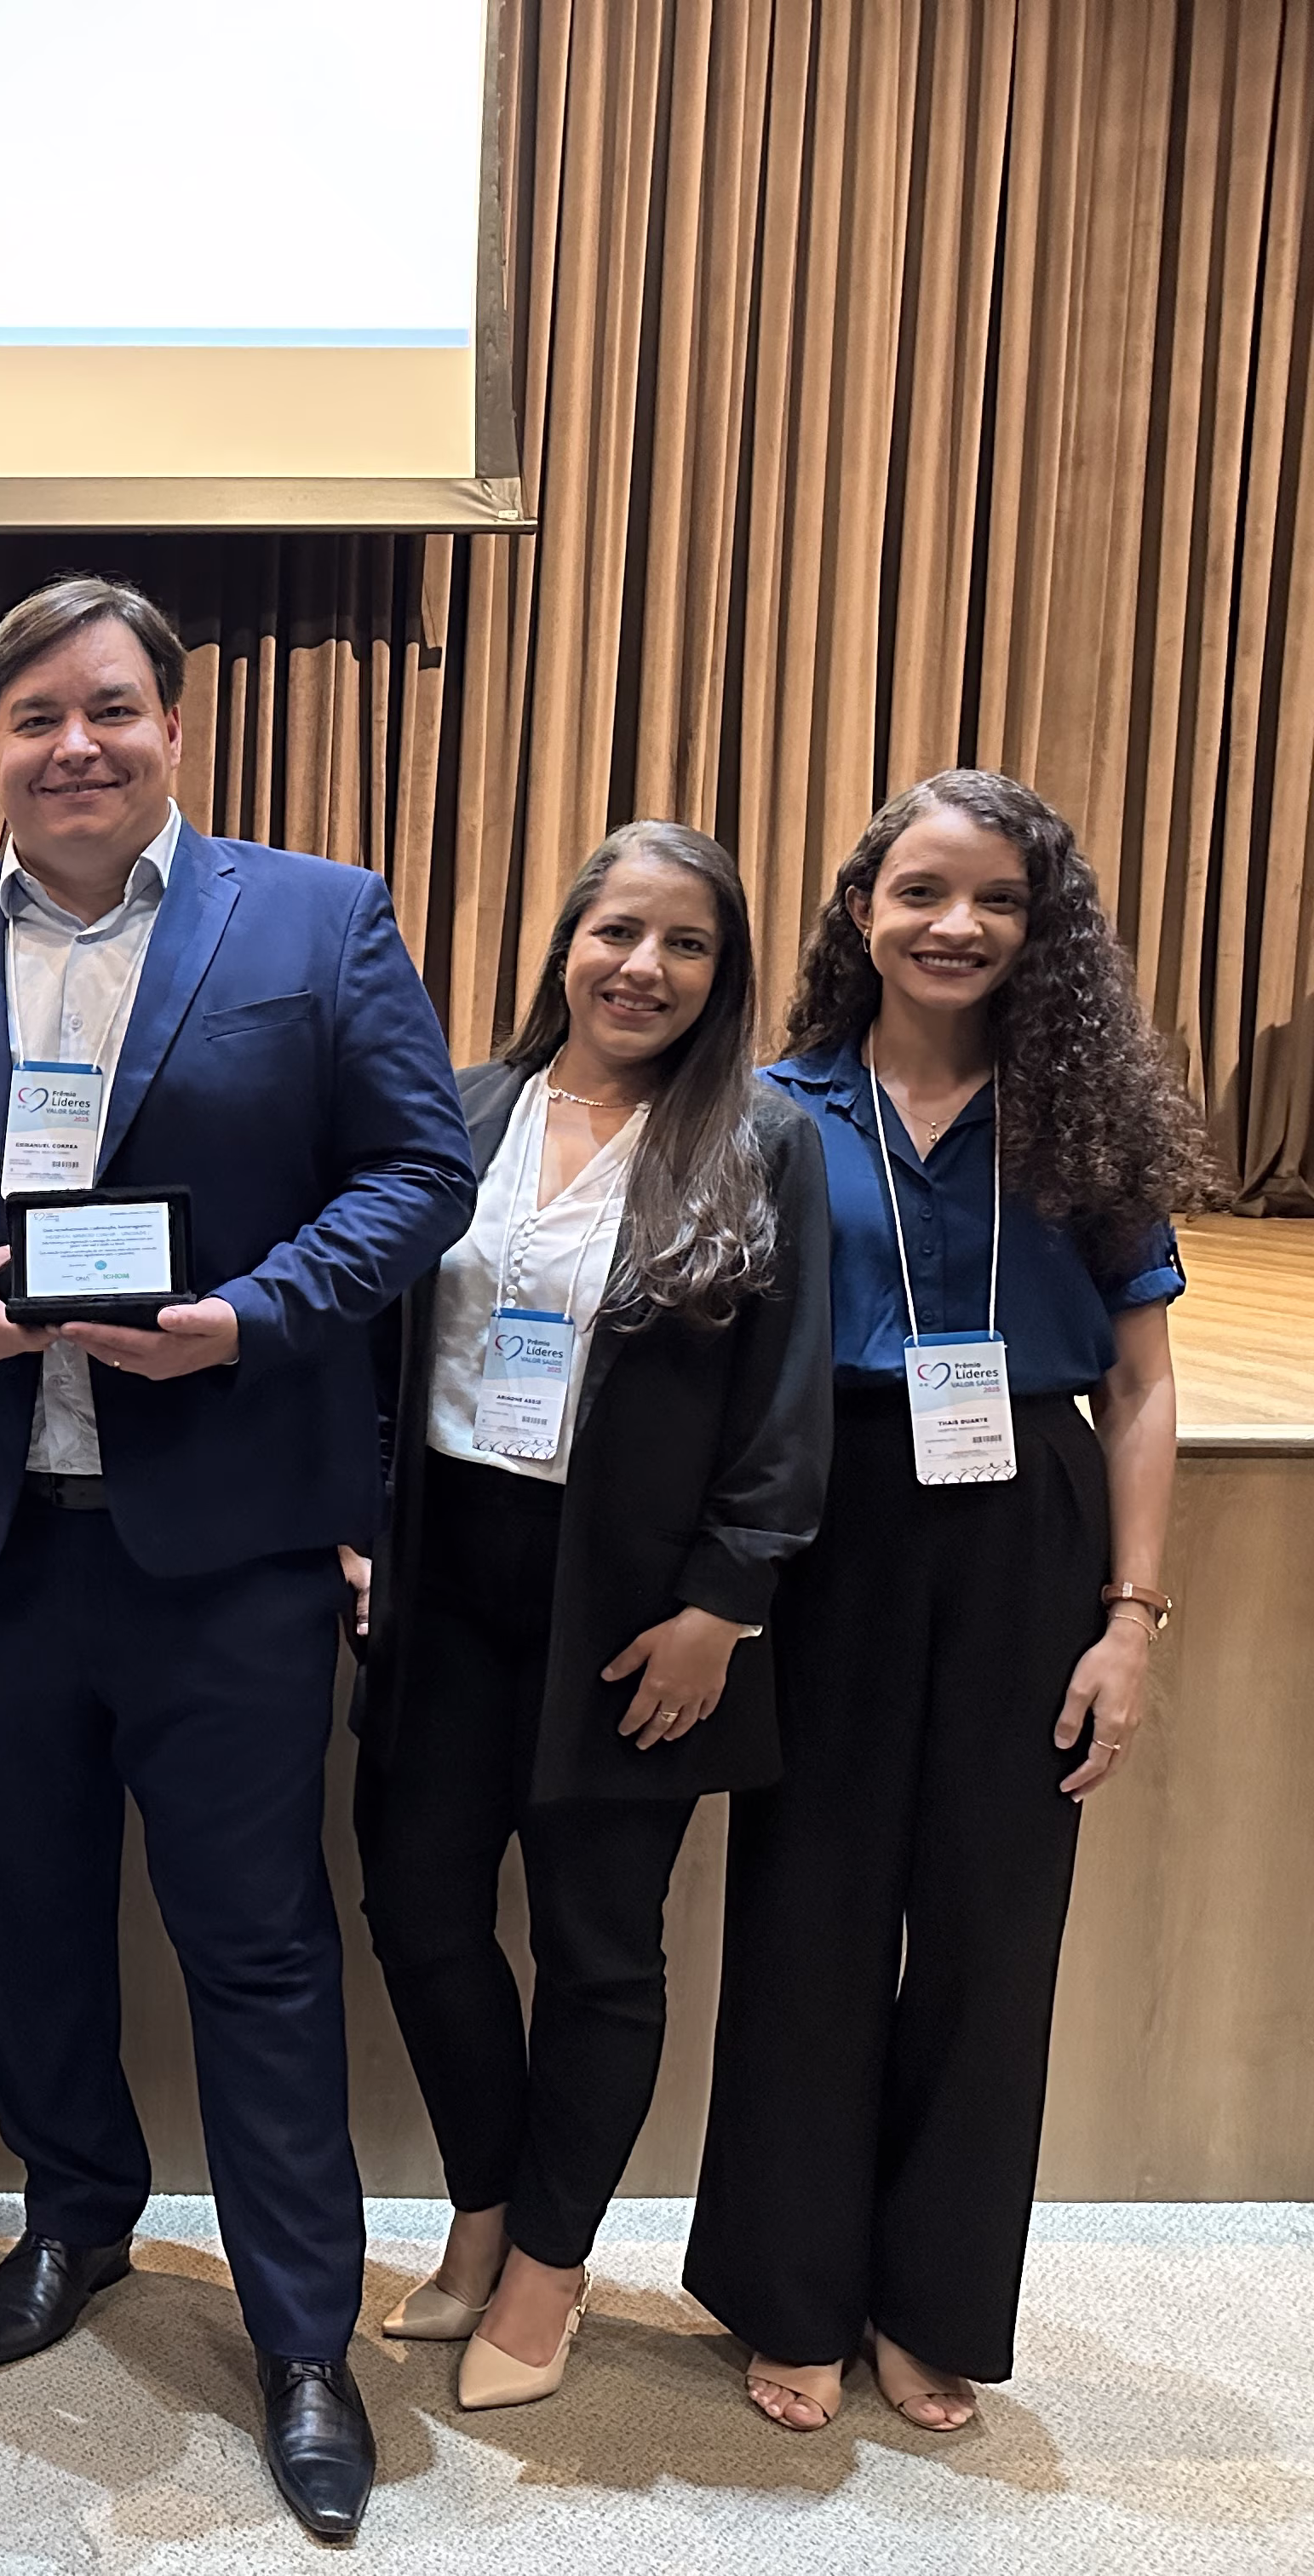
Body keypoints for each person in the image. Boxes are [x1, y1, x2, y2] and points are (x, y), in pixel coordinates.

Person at [0, 574, 474, 2543]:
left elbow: (419, 1173)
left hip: (228, 1536)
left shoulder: (318, 920)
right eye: (32, 719)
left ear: (173, 724)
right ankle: (73, 2214)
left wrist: (254, 1317)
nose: (71, 746)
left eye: (109, 709)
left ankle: (300, 2339)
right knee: (23, 1917)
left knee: (258, 1949)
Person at [687, 769, 1201, 2436]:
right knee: (810, 1909)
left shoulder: (1091, 1124)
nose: (956, 924)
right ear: (860, 912)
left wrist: (1130, 1619)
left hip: (1026, 1538)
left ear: (1039, 928)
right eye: (921, 891)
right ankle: (790, 2291)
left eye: (994, 898)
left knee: (992, 1929)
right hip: (824, 1519)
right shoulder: (773, 1111)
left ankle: (932, 2299)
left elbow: (1140, 1387)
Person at [349, 823, 831, 2412]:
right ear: (564, 941)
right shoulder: (466, 1110)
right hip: (443, 1569)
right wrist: (355, 1537)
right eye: (618, 929)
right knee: (417, 1907)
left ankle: (548, 2268)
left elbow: (784, 1399)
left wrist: (724, 1598)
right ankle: (485, 2206)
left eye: (685, 942)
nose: (644, 966)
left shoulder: (760, 1141)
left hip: (630, 1597)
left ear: (722, 970)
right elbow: (379, 1339)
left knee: (597, 1947)